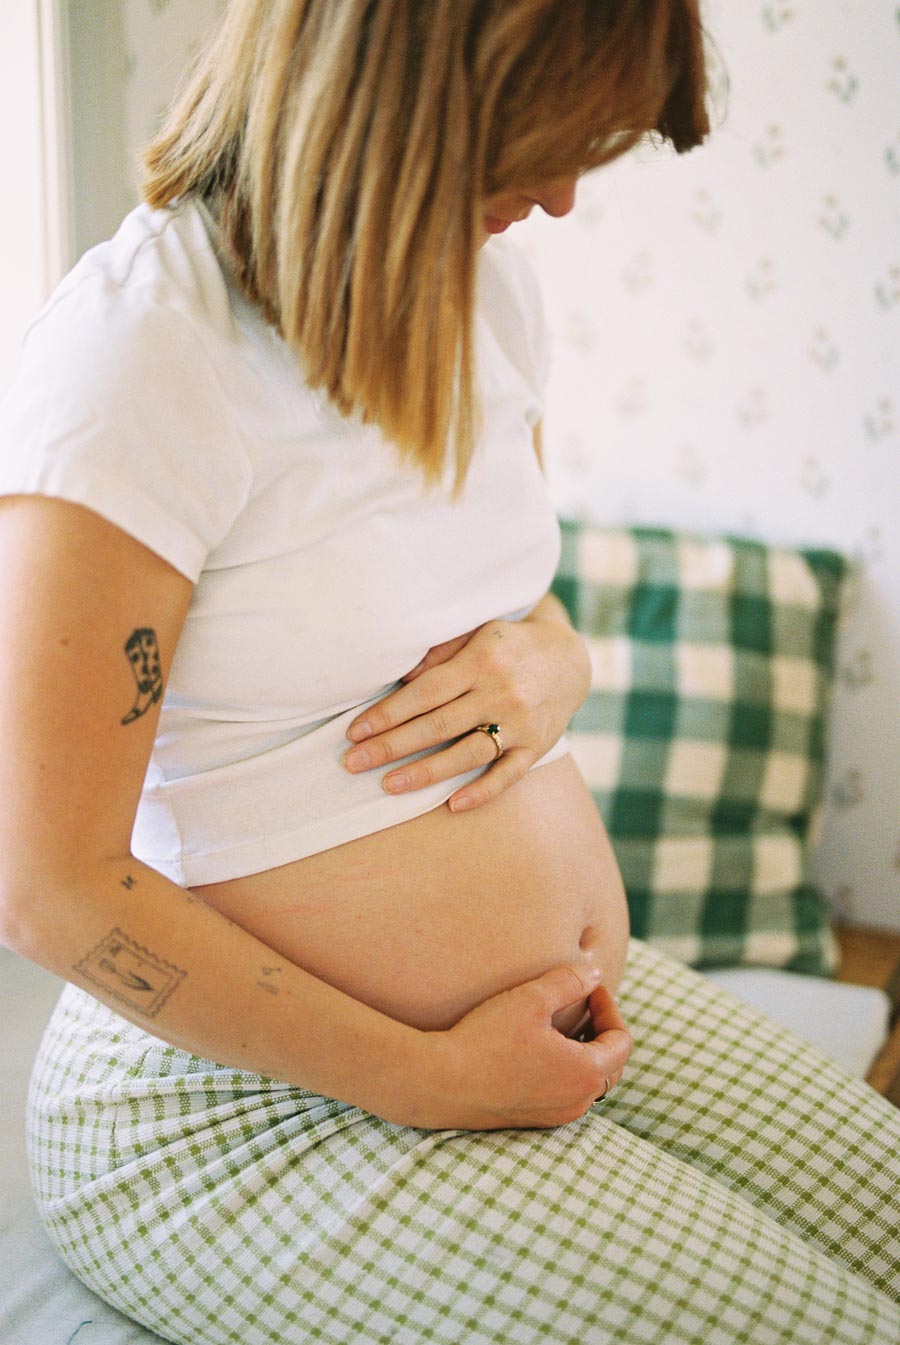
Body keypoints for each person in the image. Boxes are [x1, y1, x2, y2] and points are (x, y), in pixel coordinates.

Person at [0, 2, 896, 1342]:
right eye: (532, 143)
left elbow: (501, 599)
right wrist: (424, 1076)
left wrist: (563, 656)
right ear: (398, 96)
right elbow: (49, 886)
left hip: (562, 995)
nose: (558, 198)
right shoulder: (145, 352)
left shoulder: (483, 292)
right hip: (227, 1103)